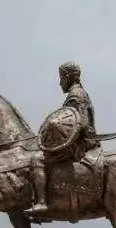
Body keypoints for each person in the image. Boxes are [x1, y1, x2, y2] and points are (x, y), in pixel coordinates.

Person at [26, 61, 101, 215]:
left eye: (61, 78)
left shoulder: (76, 95)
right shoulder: (79, 93)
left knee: (38, 160)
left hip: (79, 145)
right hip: (80, 141)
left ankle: (42, 203)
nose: (60, 83)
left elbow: (81, 123)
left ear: (67, 77)